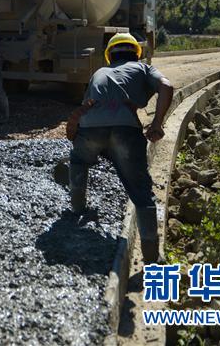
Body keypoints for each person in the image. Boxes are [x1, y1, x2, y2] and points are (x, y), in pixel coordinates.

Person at [65, 32, 174, 263]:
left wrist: (77, 135)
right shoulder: (143, 68)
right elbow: (166, 86)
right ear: (136, 53)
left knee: (78, 160)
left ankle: (77, 208)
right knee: (141, 192)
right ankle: (152, 257)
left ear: (109, 55)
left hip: (90, 130)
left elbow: (84, 109)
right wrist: (157, 124)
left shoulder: (99, 73)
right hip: (126, 132)